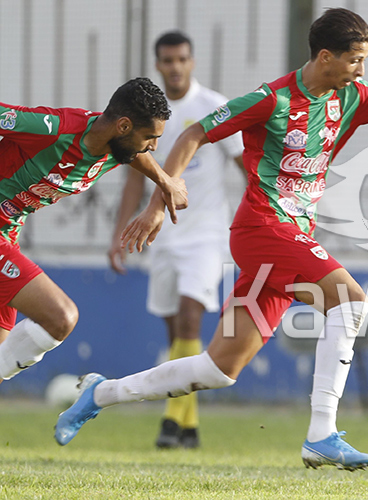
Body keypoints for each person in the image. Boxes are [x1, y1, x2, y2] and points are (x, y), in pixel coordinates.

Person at [54, 7, 368, 470]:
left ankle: (101, 393)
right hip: (262, 229)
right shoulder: (272, 100)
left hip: (289, 238)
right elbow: (195, 133)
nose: (361, 69)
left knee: (218, 368)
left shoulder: (355, 96)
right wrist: (160, 201)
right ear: (325, 57)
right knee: (350, 301)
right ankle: (322, 434)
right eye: (355, 59)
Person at [0, 78, 187, 385]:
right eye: (150, 137)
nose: (153, 146)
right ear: (123, 126)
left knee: (5, 353)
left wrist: (164, 181)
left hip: (8, 235)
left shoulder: (114, 146)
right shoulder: (54, 129)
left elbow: (138, 155)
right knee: (60, 317)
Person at [108, 31, 244, 450]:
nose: (175, 67)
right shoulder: (146, 115)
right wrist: (117, 234)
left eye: (182, 59)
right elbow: (135, 178)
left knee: (189, 317)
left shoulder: (214, 107)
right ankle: (190, 425)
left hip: (206, 235)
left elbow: (246, 165)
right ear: (158, 65)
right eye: (168, 61)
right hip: (162, 235)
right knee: (175, 334)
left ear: (192, 62)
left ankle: (170, 420)